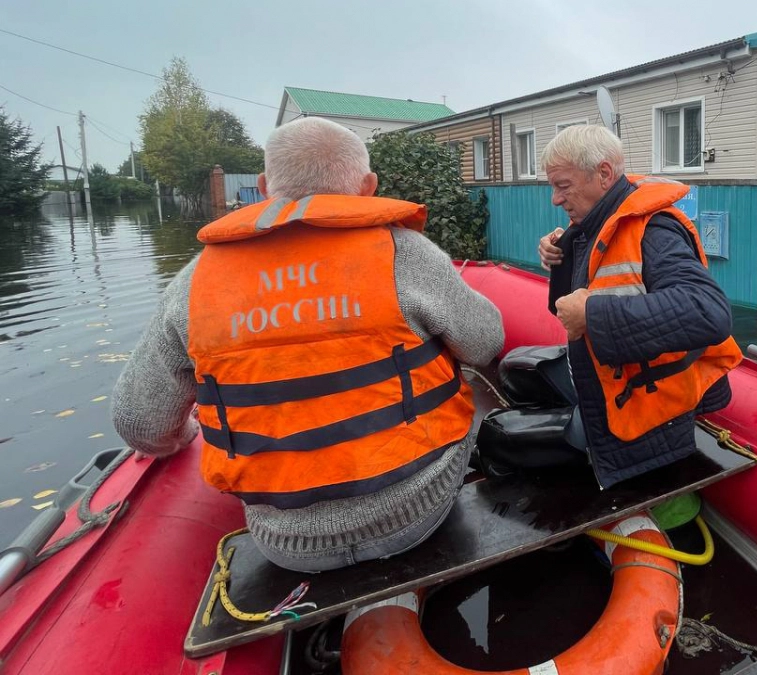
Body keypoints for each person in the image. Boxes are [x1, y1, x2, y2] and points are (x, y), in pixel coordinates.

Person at [111, 117, 504, 572]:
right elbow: (485, 343)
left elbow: (138, 423)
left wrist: (184, 437)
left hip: (284, 541)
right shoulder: (405, 253)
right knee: (472, 401)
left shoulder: (196, 283)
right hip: (416, 511)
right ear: (368, 186)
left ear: (263, 187)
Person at [536, 125, 742, 488]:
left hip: (651, 415)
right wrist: (561, 255)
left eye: (563, 186)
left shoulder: (655, 230)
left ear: (603, 174)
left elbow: (708, 310)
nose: (555, 199)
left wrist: (593, 315)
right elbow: (580, 294)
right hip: (620, 397)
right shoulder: (595, 219)